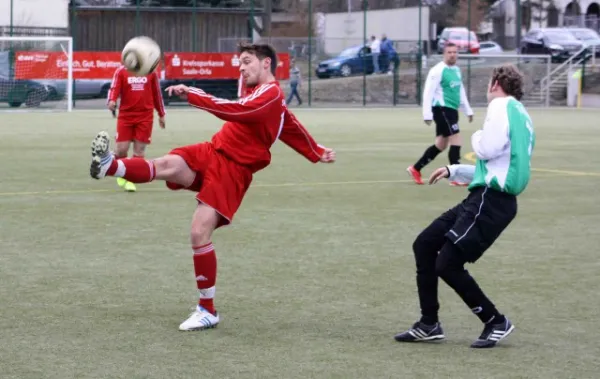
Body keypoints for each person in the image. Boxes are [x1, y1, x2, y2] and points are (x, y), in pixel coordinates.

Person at [89, 43, 336, 331]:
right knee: (168, 164)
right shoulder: (265, 96)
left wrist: (194, 94)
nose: (241, 68)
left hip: (233, 169)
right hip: (214, 150)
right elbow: (289, 124)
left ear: (267, 63)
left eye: (246, 62)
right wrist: (315, 150)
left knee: (198, 232)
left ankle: (207, 310)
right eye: (239, 63)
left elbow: (234, 110)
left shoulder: (269, 94)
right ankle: (109, 166)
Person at [394, 64, 535, 349]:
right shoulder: (522, 115)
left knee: (447, 263)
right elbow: (500, 166)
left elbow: (486, 149)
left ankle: (495, 321)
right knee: (425, 244)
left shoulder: (500, 105)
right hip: (486, 197)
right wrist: (455, 170)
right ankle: (429, 324)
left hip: (490, 201)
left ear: (496, 83)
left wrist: (475, 136)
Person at [407, 42, 473, 186]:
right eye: (449, 52)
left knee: (441, 145)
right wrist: (427, 114)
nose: (453, 55)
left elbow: (460, 91)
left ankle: (415, 168)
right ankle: (457, 176)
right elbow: (428, 92)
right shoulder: (437, 70)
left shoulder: (456, 70)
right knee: (456, 138)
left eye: (455, 52)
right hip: (442, 110)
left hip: (452, 110)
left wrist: (467, 110)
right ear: (444, 54)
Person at [107, 64, 166, 192]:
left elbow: (157, 94)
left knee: (139, 152)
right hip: (126, 116)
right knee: (121, 149)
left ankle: (130, 180)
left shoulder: (151, 72)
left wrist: (161, 114)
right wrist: (112, 100)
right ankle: (117, 165)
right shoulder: (121, 71)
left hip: (145, 117)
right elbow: (114, 88)